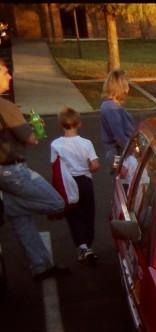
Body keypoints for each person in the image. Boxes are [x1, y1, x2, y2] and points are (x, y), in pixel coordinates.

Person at [0, 61, 70, 280]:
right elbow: (31, 139)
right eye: (4, 72)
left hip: (3, 175)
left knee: (23, 222)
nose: (10, 76)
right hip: (14, 172)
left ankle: (41, 266)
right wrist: (35, 127)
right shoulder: (5, 107)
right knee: (56, 202)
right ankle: (8, 205)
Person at [50, 107, 100, 264]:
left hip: (67, 183)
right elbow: (95, 165)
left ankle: (83, 247)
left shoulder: (55, 144)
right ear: (79, 124)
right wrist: (88, 167)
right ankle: (88, 243)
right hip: (85, 181)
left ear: (61, 124)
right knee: (88, 213)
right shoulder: (86, 143)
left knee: (73, 215)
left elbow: (54, 165)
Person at [100, 68, 136, 175]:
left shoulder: (111, 106)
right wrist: (134, 151)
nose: (128, 87)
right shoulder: (111, 109)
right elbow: (119, 137)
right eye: (127, 84)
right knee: (123, 179)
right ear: (121, 87)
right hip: (120, 155)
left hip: (120, 153)